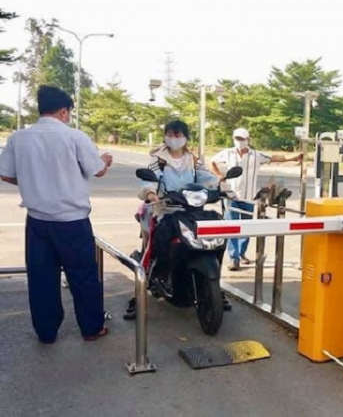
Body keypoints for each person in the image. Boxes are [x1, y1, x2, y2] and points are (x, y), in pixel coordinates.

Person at [0, 85, 113, 343]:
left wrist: (33, 181)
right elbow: (97, 170)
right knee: (83, 275)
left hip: (38, 222)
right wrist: (105, 159)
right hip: (73, 222)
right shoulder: (75, 137)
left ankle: (46, 332)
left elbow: (5, 174)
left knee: (41, 278)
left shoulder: (19, 138)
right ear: (64, 112)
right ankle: (92, 328)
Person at [123, 120, 224, 320]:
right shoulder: (158, 160)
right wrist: (151, 193)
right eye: (171, 134)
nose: (175, 138)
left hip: (192, 211)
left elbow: (206, 178)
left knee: (217, 232)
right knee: (155, 247)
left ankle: (213, 286)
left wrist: (221, 185)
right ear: (166, 136)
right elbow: (149, 180)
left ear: (185, 138)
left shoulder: (193, 160)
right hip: (165, 211)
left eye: (179, 135)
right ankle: (139, 295)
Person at [209, 127, 302, 270]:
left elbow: (275, 158)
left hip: (249, 198)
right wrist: (218, 176)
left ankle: (241, 253)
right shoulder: (227, 153)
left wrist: (293, 157)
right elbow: (212, 162)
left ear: (248, 139)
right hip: (231, 196)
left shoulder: (256, 155)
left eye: (242, 139)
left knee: (246, 229)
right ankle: (234, 258)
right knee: (232, 228)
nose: (239, 142)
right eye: (237, 139)